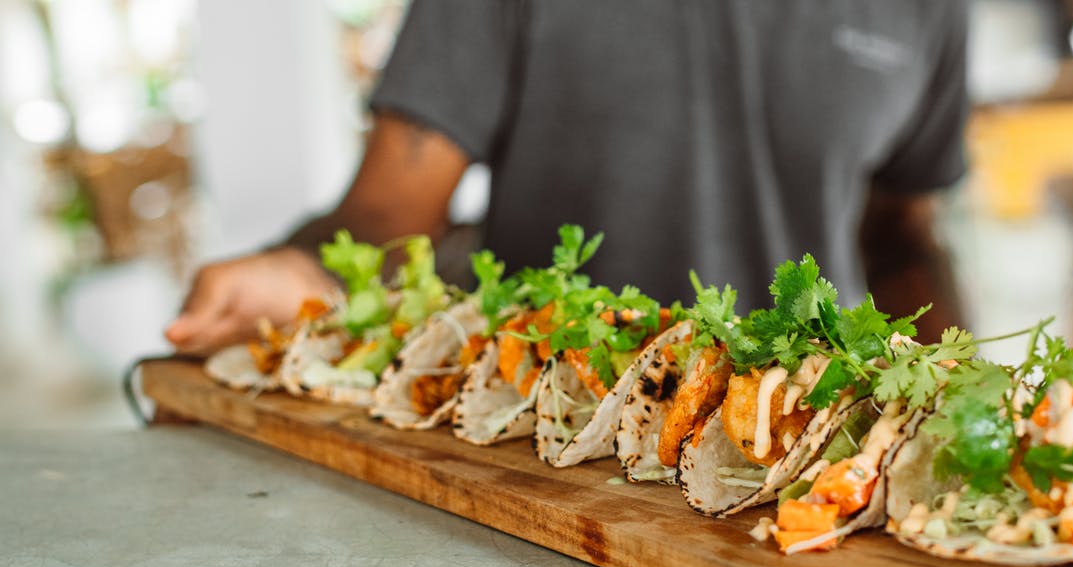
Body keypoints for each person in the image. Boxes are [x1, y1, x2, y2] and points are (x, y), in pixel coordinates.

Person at [167, 0, 968, 355]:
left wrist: (954, 398)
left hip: (811, 451)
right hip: (545, 451)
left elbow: (900, 241)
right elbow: (388, 217)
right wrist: (302, 273)